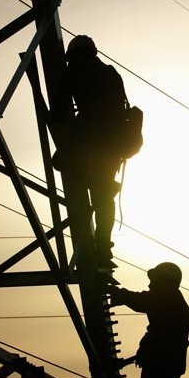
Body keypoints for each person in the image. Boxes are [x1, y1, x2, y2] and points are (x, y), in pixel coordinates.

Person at [51, 35, 127, 271]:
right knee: (104, 197)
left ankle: (91, 242)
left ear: (72, 56)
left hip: (90, 144)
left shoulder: (75, 70)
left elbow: (58, 108)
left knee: (62, 164)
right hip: (114, 145)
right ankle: (103, 247)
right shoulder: (110, 72)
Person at [108, 262, 189, 378]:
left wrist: (119, 294)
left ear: (165, 281)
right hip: (162, 366)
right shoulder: (172, 300)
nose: (150, 285)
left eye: (154, 280)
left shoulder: (170, 297)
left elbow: (143, 301)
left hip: (162, 367)